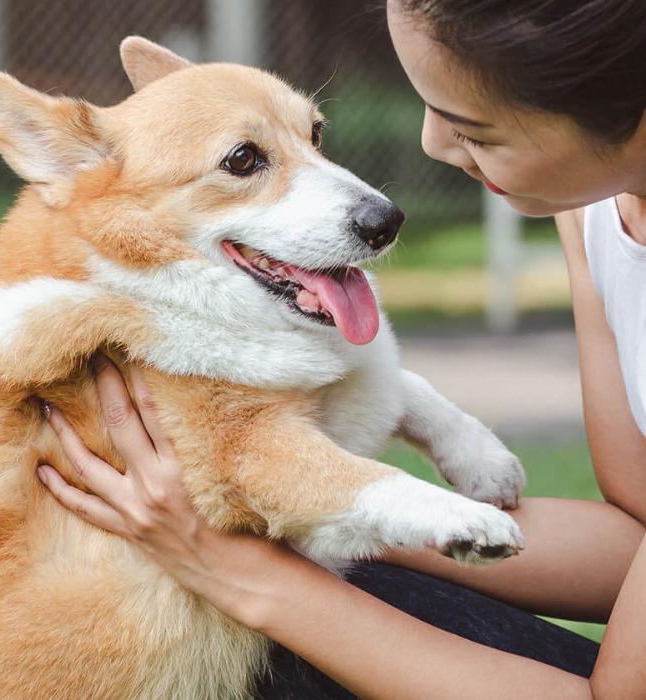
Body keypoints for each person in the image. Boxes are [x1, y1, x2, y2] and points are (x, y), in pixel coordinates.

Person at [35, 1, 646, 697]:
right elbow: (638, 526)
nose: (433, 145)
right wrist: (306, 500)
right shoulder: (597, 207)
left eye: (469, 124)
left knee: (271, 640)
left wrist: (234, 568)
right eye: (427, 104)